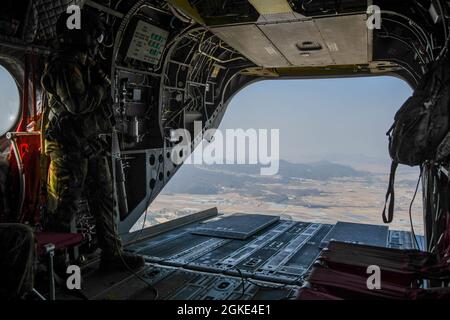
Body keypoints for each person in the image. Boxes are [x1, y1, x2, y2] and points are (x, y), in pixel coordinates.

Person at [41, 10, 144, 272]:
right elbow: (78, 104)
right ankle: (58, 266)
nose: (98, 39)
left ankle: (112, 254)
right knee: (63, 208)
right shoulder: (65, 64)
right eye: (93, 33)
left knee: (105, 198)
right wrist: (102, 89)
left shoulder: (85, 63)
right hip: (67, 147)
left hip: (88, 143)